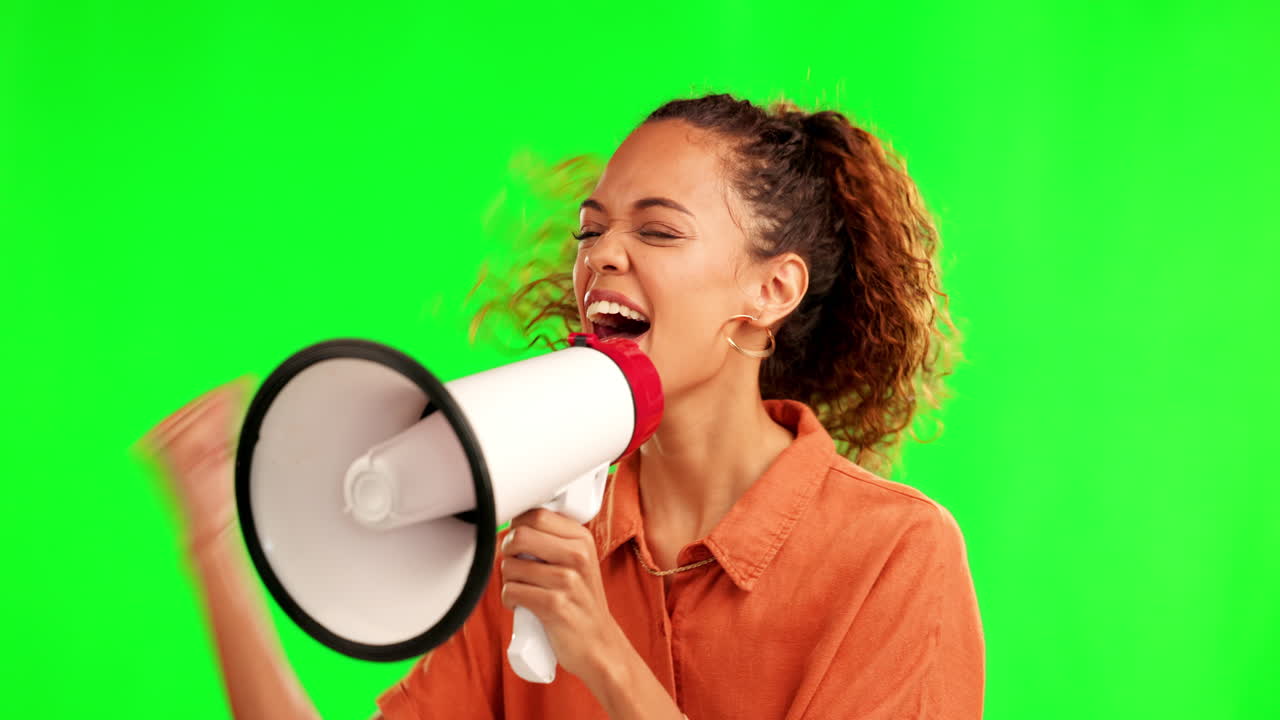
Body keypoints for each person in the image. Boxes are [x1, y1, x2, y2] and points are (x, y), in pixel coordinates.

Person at [138, 93, 984, 720]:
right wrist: (217, 538)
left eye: (656, 232)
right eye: (591, 232)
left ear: (771, 290)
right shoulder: (532, 546)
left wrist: (602, 654)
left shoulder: (895, 556)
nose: (602, 256)